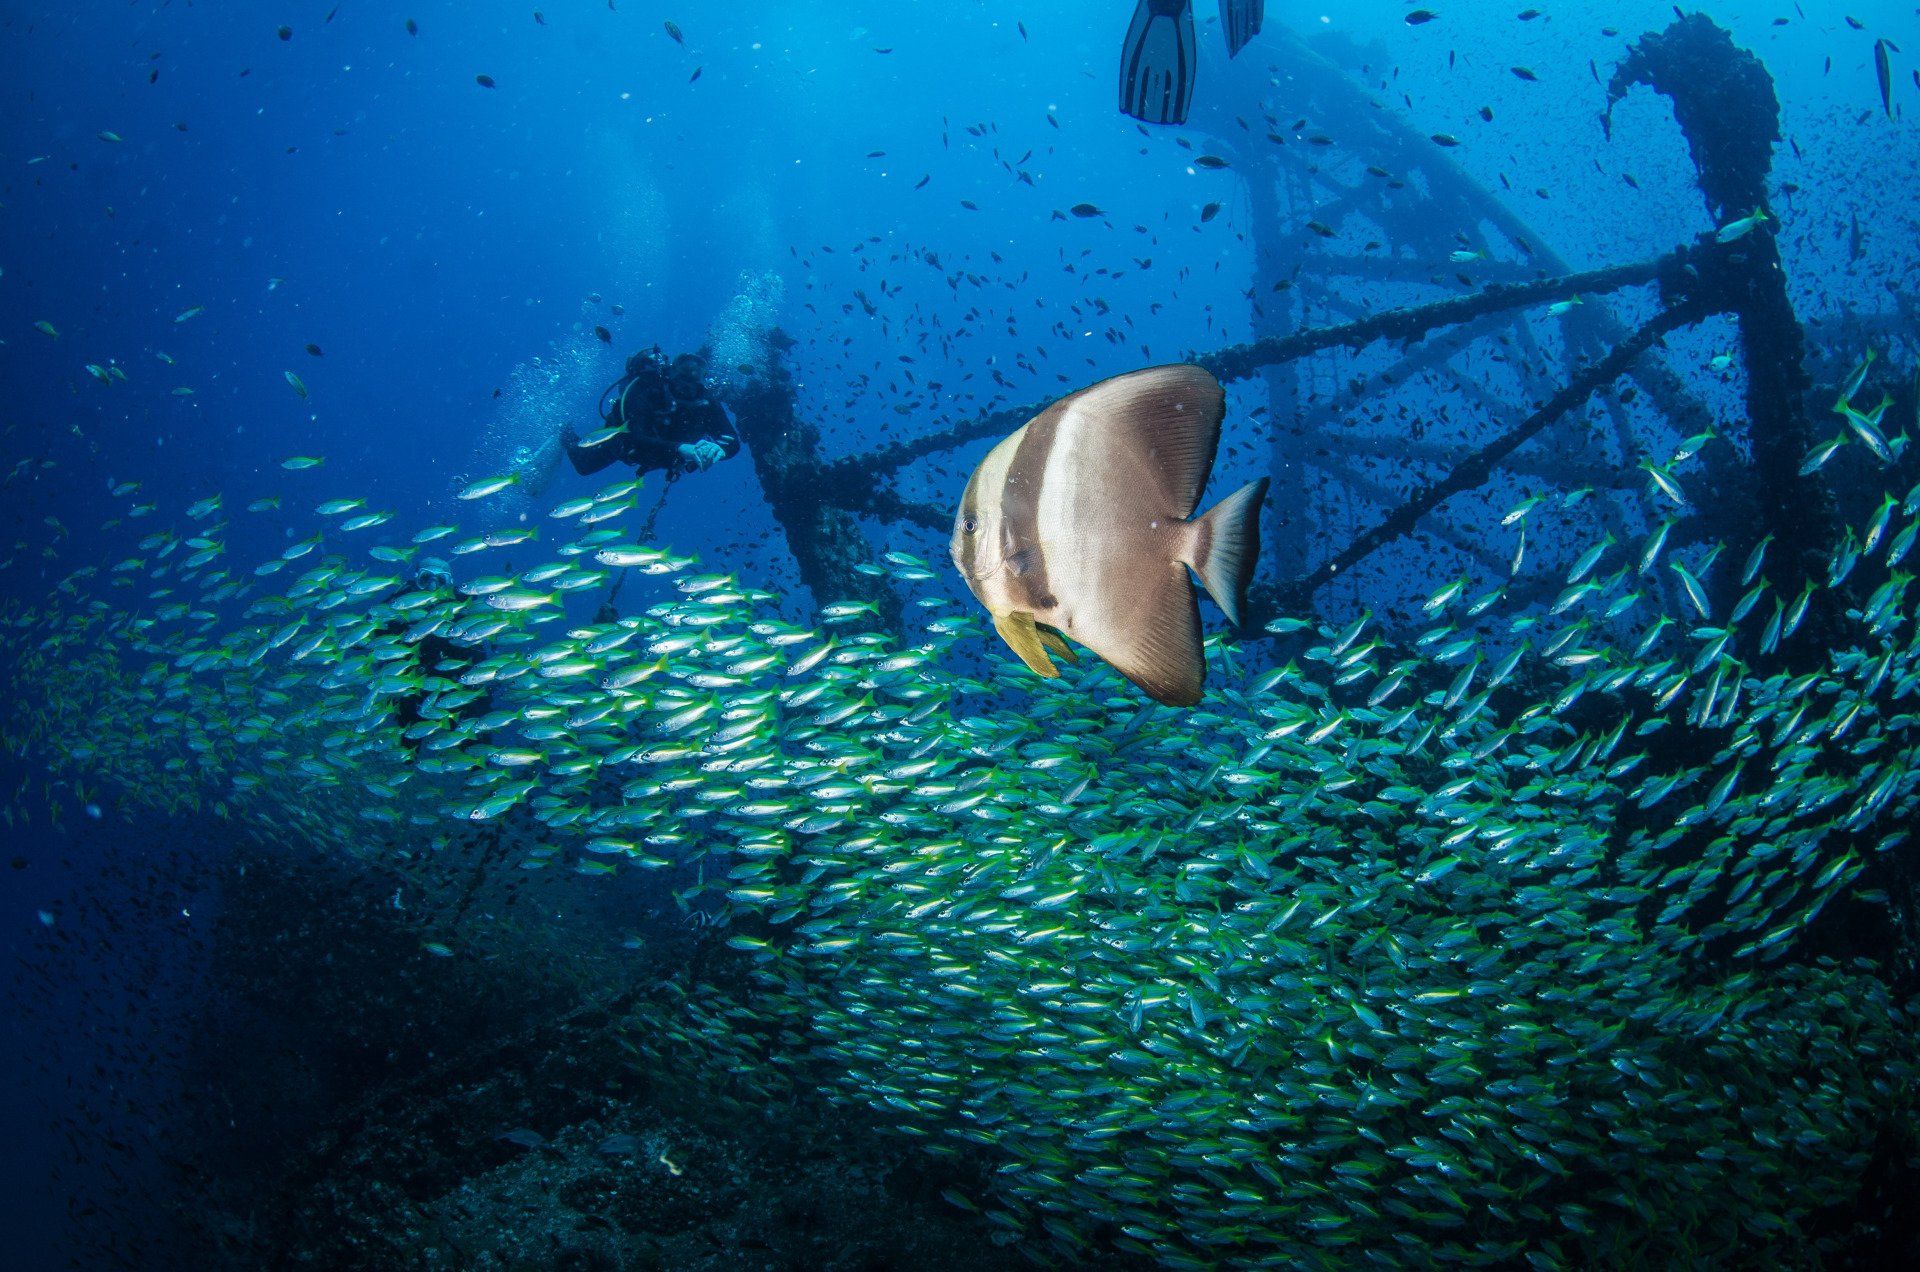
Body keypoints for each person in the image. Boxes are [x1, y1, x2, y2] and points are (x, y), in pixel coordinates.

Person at [563, 347, 740, 480]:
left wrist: (721, 449)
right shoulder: (647, 390)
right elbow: (633, 438)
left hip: (669, 453)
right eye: (681, 383)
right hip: (627, 443)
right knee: (584, 465)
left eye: (692, 386)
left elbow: (731, 440)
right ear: (670, 375)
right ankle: (563, 434)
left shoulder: (706, 401)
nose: (686, 390)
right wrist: (680, 449)